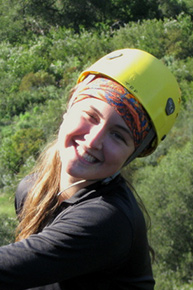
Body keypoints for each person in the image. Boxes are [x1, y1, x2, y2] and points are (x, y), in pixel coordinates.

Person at [0, 48, 181, 290]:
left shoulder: (108, 219)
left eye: (118, 136)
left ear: (133, 155)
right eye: (91, 116)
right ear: (69, 108)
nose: (94, 141)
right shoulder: (32, 189)